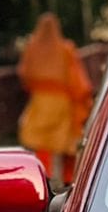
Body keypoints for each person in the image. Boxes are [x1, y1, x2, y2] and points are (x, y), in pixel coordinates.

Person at [17, 13, 93, 184]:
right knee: (67, 143)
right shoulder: (65, 49)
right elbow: (77, 80)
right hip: (62, 103)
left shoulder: (31, 48)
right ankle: (69, 181)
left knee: (42, 143)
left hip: (40, 101)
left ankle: (43, 180)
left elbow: (25, 74)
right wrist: (83, 99)